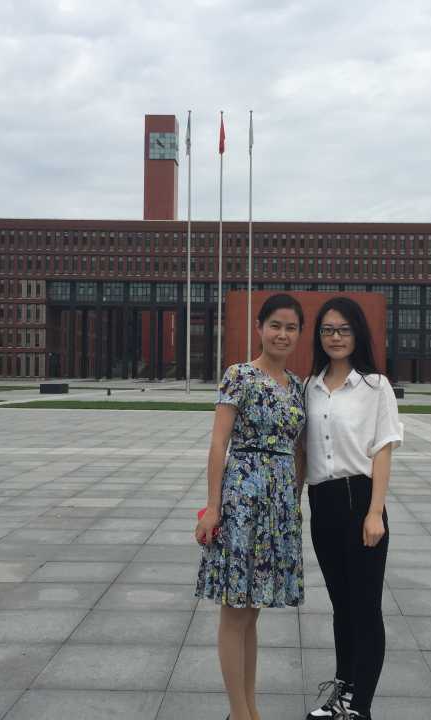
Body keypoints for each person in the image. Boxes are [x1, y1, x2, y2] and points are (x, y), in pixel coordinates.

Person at [195, 293, 307, 720]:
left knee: (252, 612)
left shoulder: (296, 386)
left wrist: (294, 503)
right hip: (242, 501)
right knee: (234, 609)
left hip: (278, 508)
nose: (282, 334)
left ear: (298, 334)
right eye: (275, 325)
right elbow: (218, 443)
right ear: (259, 328)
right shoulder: (239, 376)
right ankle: (239, 713)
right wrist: (212, 507)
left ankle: (249, 707)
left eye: (291, 327)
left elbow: (300, 452)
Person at [302, 297, 403, 720]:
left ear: (357, 333)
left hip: (359, 500)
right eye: (328, 330)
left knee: (365, 607)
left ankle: (360, 708)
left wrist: (375, 511)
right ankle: (343, 691)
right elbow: (301, 451)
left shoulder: (375, 386)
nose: (336, 337)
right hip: (322, 503)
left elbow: (383, 449)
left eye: (344, 329)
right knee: (341, 606)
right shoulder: (309, 386)